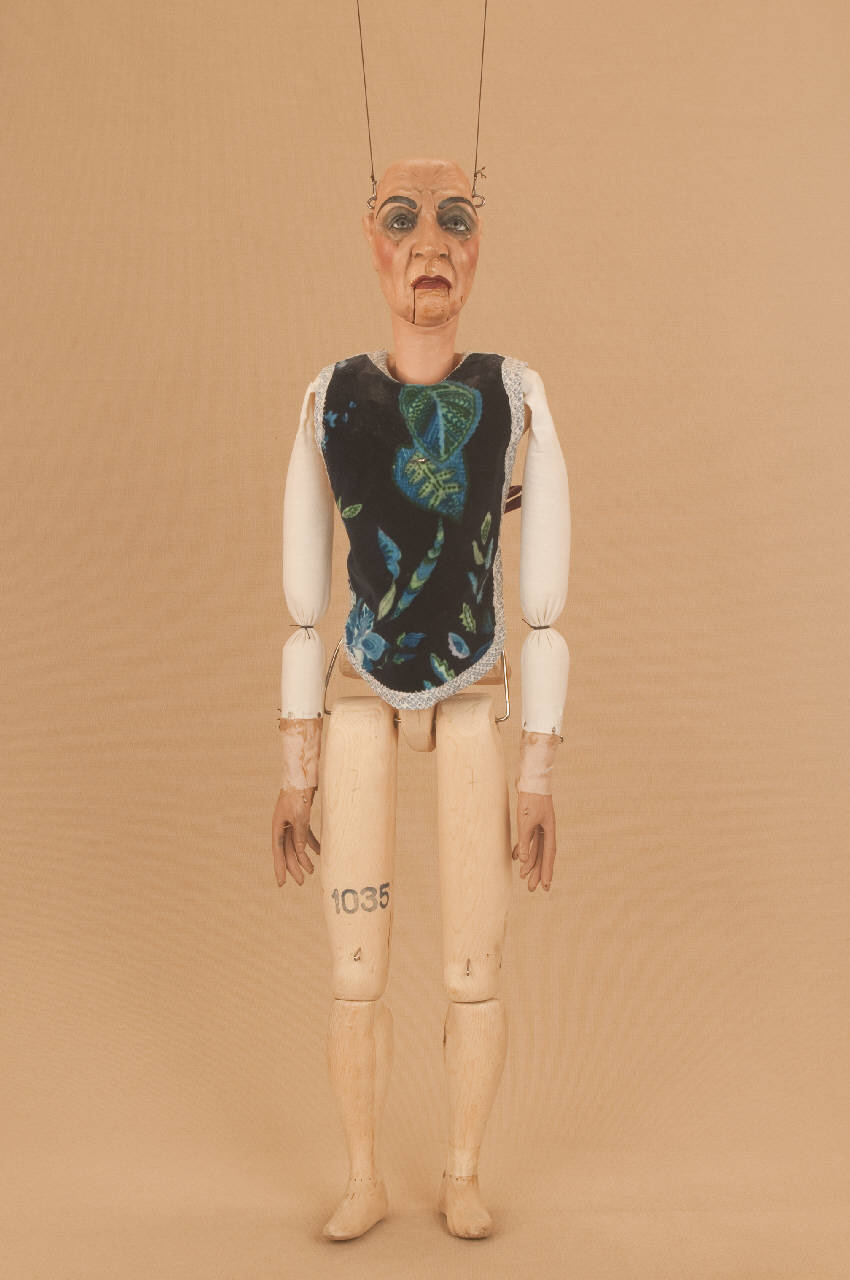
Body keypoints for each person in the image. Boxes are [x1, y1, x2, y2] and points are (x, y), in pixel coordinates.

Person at [271, 156, 570, 1239]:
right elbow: (304, 605)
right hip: (360, 685)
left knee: (471, 964)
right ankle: (363, 1174)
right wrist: (296, 768)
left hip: (474, 683)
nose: (430, 245)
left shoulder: (512, 394)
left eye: (455, 219)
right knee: (355, 966)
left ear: (479, 246)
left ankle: (462, 1168)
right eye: (403, 219)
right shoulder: (330, 399)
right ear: (372, 241)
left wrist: (537, 768)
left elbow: (543, 606)